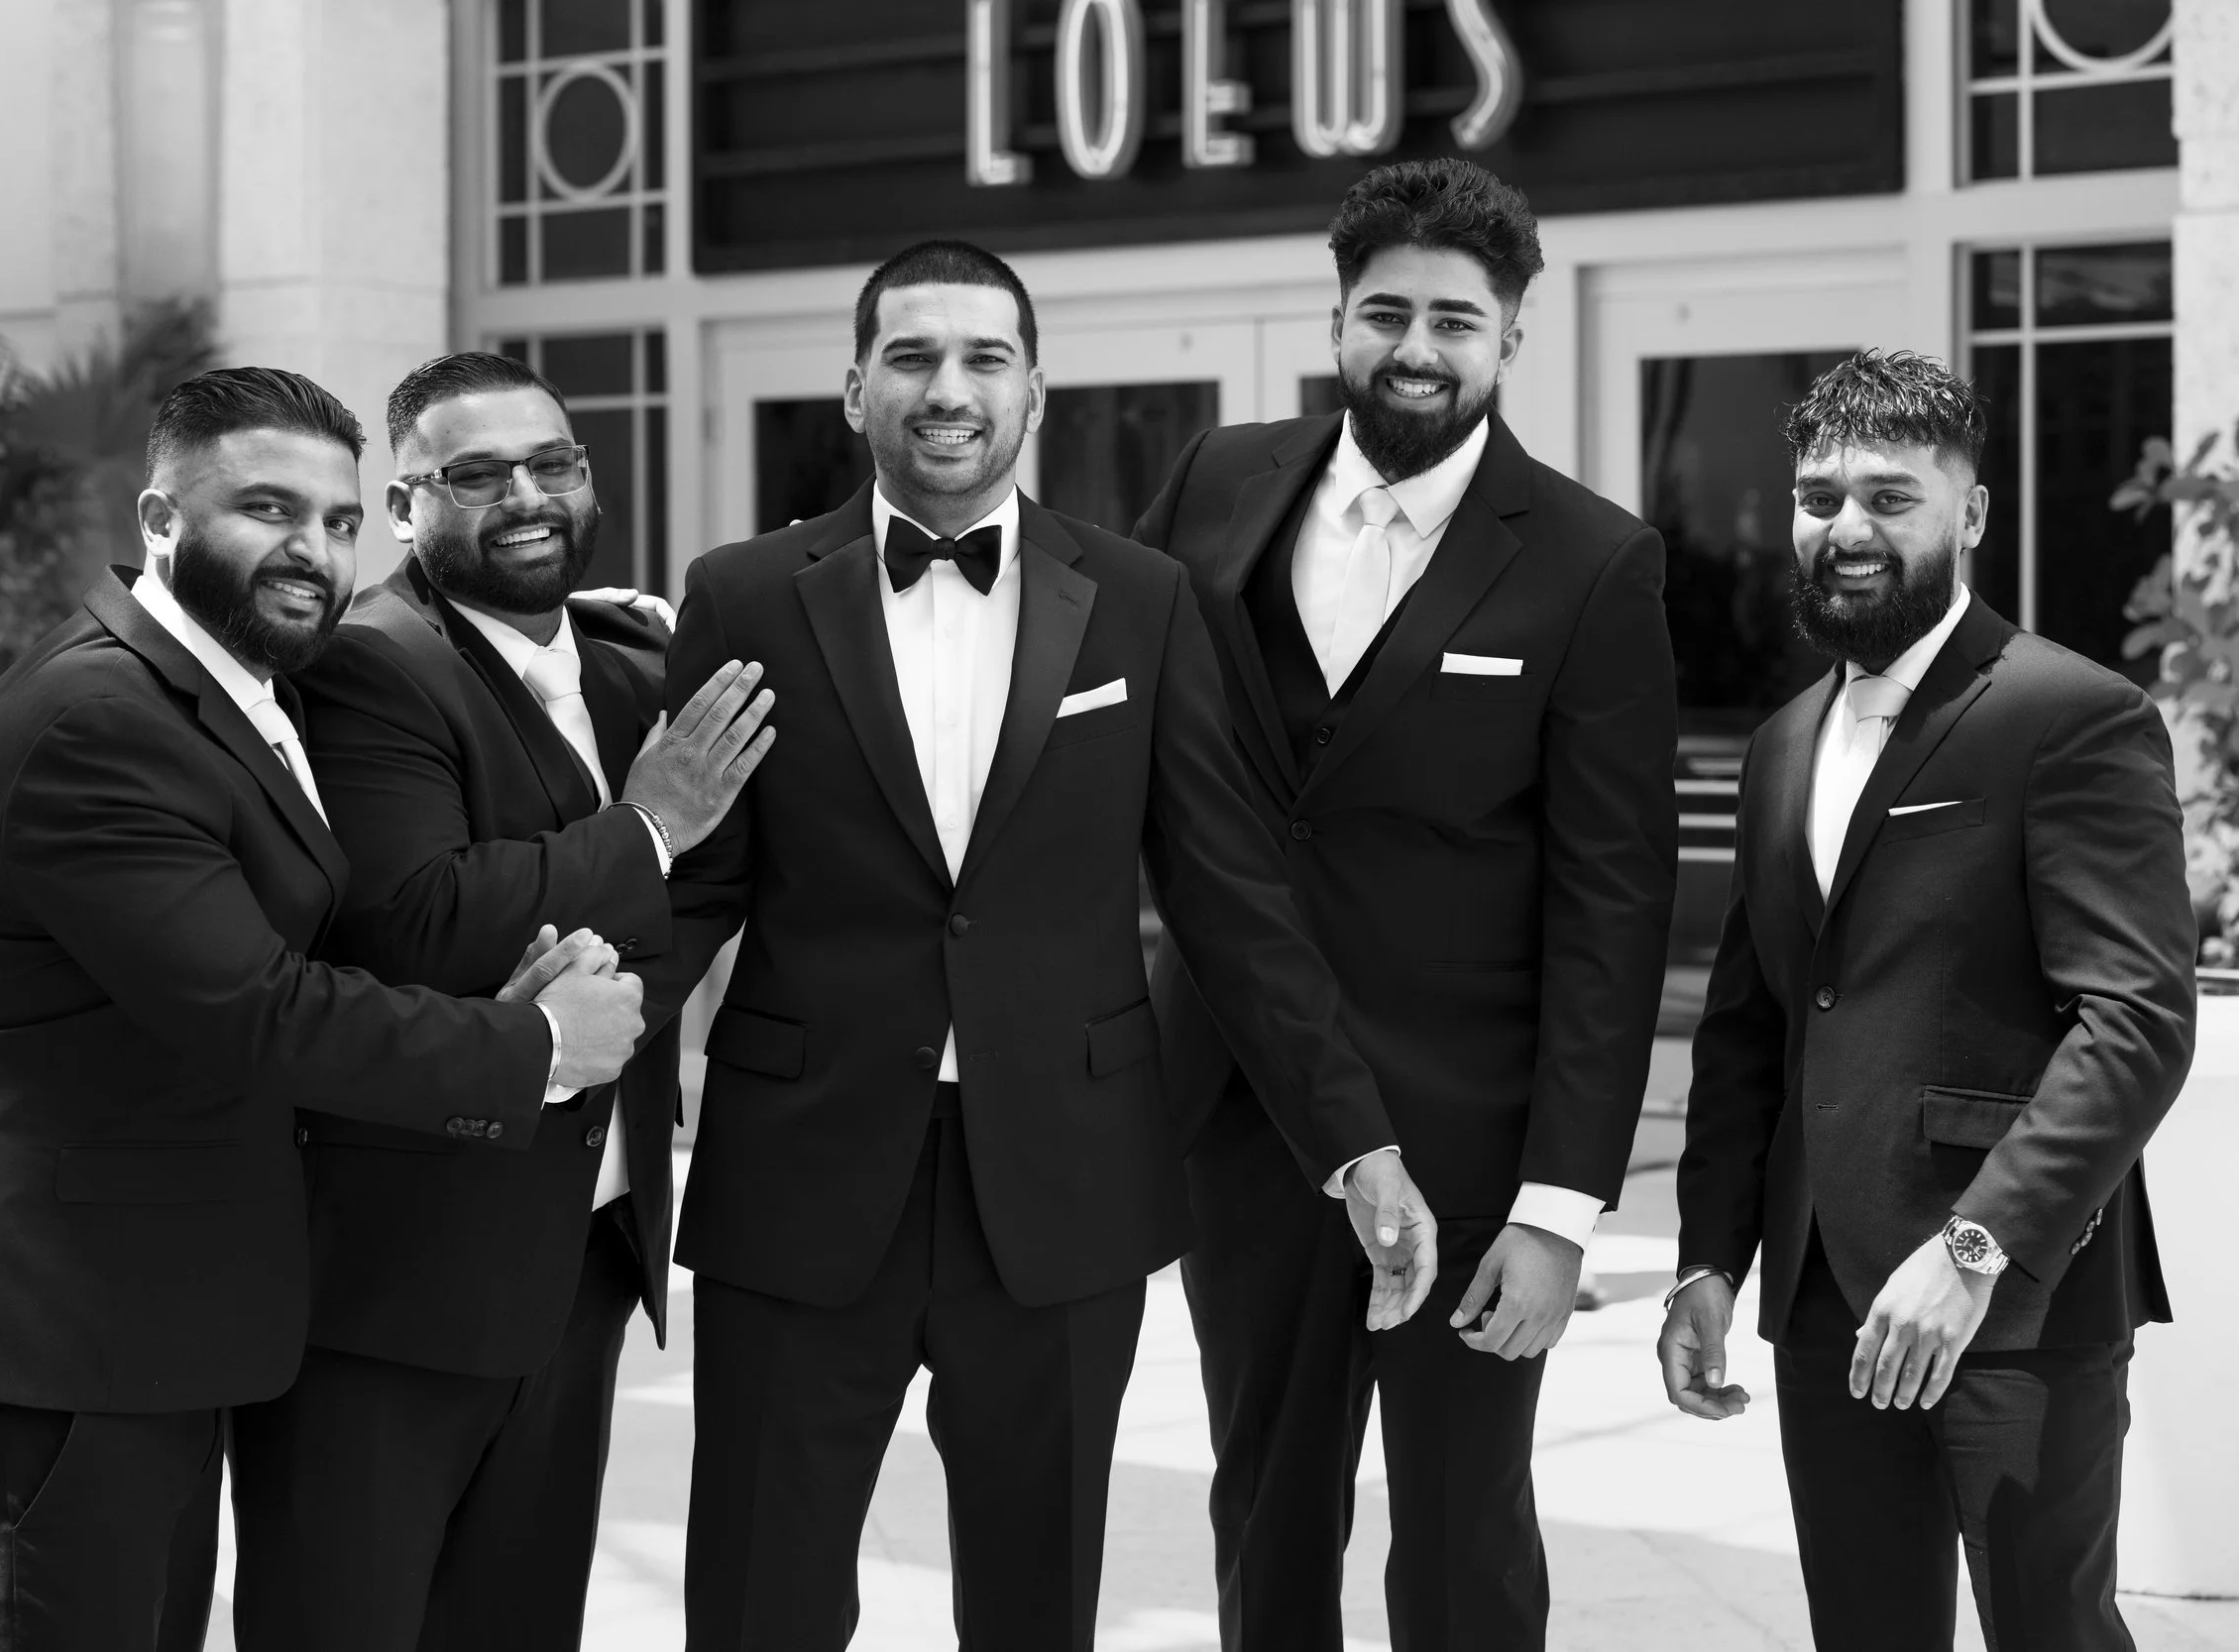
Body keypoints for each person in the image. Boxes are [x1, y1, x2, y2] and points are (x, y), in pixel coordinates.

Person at [641, 239, 1437, 1652]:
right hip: (803, 1172)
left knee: (1037, 1601)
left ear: (1035, 390)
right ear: (854, 390)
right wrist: (544, 1033)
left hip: (1066, 1184)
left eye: (984, 359)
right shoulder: (743, 593)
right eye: (912, 357)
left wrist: (1353, 1137)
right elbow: (698, 882)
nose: (949, 390)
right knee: (761, 1598)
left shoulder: (1141, 596)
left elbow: (1225, 895)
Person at [0, 367, 644, 1652]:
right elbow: (259, 1010)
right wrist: (536, 1046)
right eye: (267, 509)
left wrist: (587, 625)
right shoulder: (94, 722)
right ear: (160, 518)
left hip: (165, 1328)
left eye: (335, 520)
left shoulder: (231, 694)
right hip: (42, 1335)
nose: (311, 549)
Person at [1129, 159, 1678, 1651]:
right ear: (1338, 320)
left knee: (1461, 1529)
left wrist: (1560, 1209)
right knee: (1263, 1503)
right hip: (1244, 1107)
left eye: (1455, 320)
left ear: (1512, 338)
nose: (1416, 348)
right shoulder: (1217, 481)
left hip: (1471, 1141)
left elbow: (1614, 906)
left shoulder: (1593, 562)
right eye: (1386, 314)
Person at [226, 352, 772, 1651]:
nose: (525, 495)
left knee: (522, 1623)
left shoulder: (637, 664)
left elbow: (715, 882)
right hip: (399, 1272)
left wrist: (601, 1005)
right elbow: (416, 914)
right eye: (476, 474)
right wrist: (646, 825)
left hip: (582, 1255)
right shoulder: (367, 661)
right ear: (403, 504)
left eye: (551, 463)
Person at [1662, 350, 2195, 1652]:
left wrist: (1972, 1251)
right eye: (1819, 497)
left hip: (2013, 1302)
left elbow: (2134, 1023)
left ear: (1972, 513)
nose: (1846, 527)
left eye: (1890, 497)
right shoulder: (1782, 743)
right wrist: (1709, 1260)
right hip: (1822, 1302)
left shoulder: (2072, 714)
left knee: (2050, 1633)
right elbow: (1752, 1025)